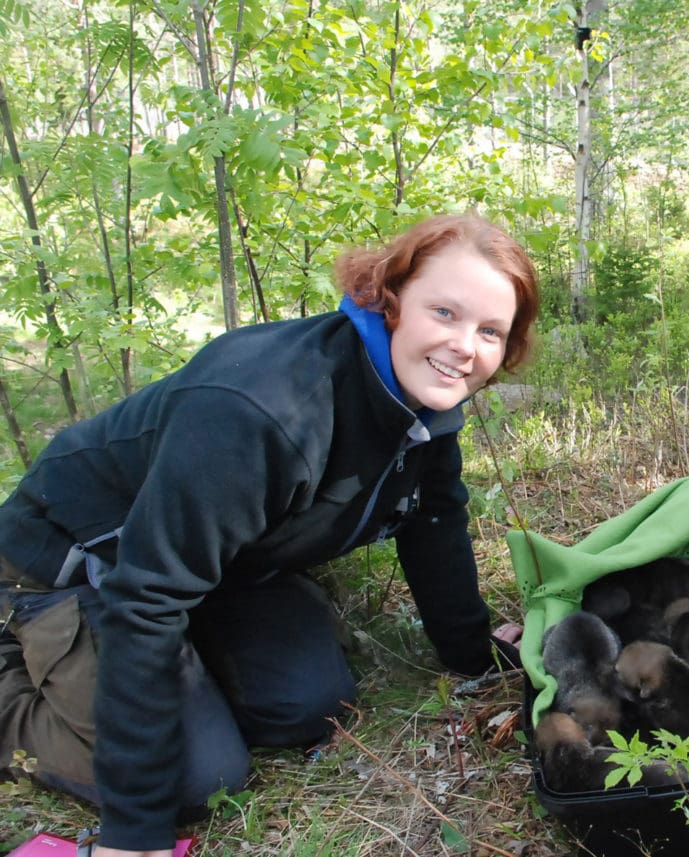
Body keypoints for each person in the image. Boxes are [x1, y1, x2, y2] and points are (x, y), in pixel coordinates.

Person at [0, 214, 538, 855]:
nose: (464, 346)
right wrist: (134, 830)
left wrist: (472, 650)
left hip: (215, 571)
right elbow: (146, 599)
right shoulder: (262, 410)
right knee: (195, 778)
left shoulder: (423, 405)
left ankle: (175, 682)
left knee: (309, 706)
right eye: (444, 312)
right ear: (388, 298)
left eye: (490, 332)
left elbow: (434, 520)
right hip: (71, 567)